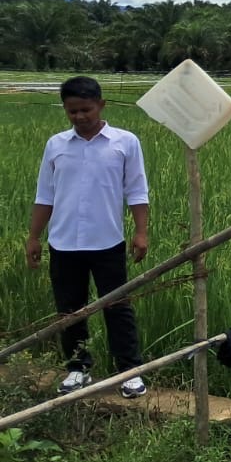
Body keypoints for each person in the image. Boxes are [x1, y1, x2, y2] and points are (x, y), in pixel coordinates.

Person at [27, 76, 150, 398]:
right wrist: (34, 237)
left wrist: (141, 232)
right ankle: (78, 369)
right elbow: (45, 195)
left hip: (107, 242)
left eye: (86, 109)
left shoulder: (124, 142)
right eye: (72, 111)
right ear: (65, 110)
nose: (80, 117)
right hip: (63, 243)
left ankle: (130, 371)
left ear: (101, 105)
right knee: (70, 311)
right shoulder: (56, 145)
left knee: (117, 308)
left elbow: (137, 191)